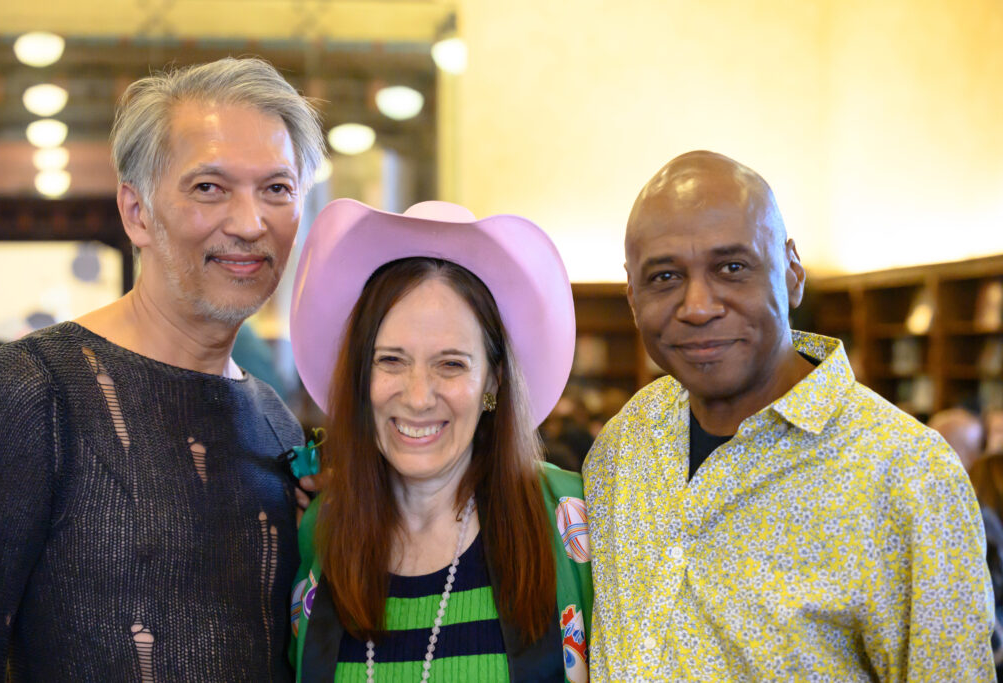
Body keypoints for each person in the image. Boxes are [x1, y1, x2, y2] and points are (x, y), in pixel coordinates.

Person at [583, 150, 994, 680]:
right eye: (664, 277)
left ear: (792, 271)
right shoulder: (625, 443)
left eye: (732, 268)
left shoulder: (908, 476)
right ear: (632, 297)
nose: (699, 306)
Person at [0, 57, 324, 681]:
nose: (250, 224)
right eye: (209, 188)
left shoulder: (275, 422)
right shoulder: (39, 386)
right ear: (136, 212)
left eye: (277, 188)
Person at [286, 199, 592, 681]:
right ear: (361, 376)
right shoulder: (323, 528)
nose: (418, 396)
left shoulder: (573, 517)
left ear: (493, 382)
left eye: (451, 364)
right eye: (391, 360)